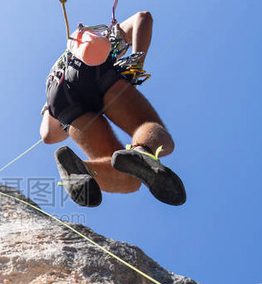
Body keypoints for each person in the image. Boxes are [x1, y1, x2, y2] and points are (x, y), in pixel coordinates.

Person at [40, 11, 185, 208]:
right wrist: (135, 69)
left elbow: (48, 135)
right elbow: (143, 17)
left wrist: (49, 110)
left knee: (132, 180)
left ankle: (83, 170)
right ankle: (143, 151)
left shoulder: (56, 74)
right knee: (155, 134)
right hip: (95, 70)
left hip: (59, 100)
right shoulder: (107, 37)